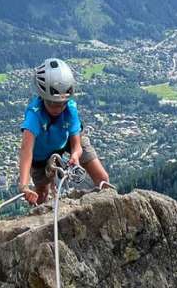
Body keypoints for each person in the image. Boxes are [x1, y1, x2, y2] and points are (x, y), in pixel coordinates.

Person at [17, 58, 110, 204]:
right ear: (43, 97)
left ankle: (106, 204)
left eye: (62, 104)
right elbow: (26, 150)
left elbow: (77, 144)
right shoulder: (34, 114)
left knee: (102, 178)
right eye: (53, 103)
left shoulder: (70, 109)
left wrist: (75, 155)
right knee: (40, 196)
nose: (58, 109)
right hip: (40, 153)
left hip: (65, 138)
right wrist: (24, 185)